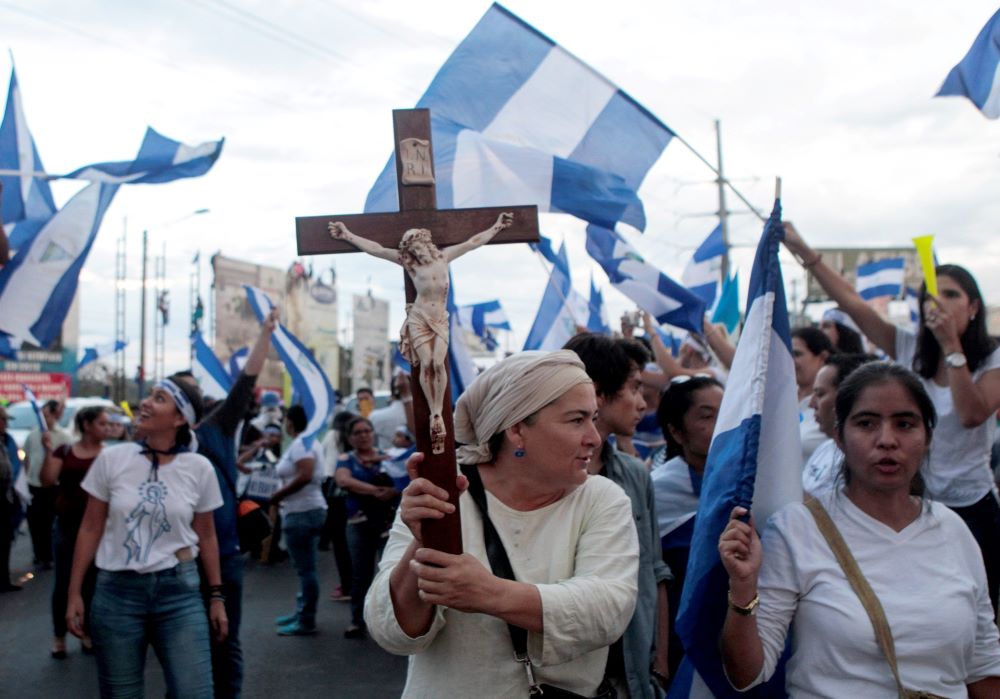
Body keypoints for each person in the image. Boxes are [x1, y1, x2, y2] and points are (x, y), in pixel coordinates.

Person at [366, 350, 639, 697]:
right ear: (517, 429)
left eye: (594, 419)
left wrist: (489, 593)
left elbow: (608, 608)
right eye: (576, 420)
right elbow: (390, 631)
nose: (594, 437)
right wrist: (421, 545)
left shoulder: (602, 499)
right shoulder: (444, 493)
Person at [719, 362, 1000, 696]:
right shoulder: (797, 529)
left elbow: (983, 668)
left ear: (927, 437)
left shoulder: (954, 530)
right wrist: (743, 588)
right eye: (866, 423)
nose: (886, 440)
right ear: (838, 436)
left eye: (905, 424)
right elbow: (746, 673)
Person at [783, 222, 1000, 611]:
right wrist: (804, 251)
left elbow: (971, 414)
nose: (939, 304)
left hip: (972, 506)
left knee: (974, 611)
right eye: (930, 296)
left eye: (951, 295)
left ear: (973, 306)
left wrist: (952, 346)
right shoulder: (909, 348)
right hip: (917, 501)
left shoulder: (992, 360)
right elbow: (853, 304)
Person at [67, 376, 227, 698]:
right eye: (150, 395)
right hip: (116, 595)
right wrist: (74, 594)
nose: (146, 403)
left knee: (195, 692)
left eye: (159, 398)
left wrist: (216, 597)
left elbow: (207, 537)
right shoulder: (113, 459)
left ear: (180, 418)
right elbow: (90, 528)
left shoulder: (199, 468)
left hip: (179, 593)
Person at [329, 212, 513, 453]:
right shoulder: (410, 264)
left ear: (427, 244)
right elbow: (376, 249)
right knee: (426, 363)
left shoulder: (444, 257)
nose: (417, 252)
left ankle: (439, 408)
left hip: (439, 319)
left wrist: (497, 226)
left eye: (419, 246)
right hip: (419, 318)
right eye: (412, 249)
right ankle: (436, 413)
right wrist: (348, 235)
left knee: (438, 364)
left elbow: (473, 242)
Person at [564, 333, 673, 697]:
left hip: (629, 677)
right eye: (634, 388)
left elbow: (653, 569)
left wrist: (658, 666)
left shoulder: (635, 476)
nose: (642, 403)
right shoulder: (543, 476)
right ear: (598, 392)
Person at [177, 306, 276, 698]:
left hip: (226, 555)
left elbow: (245, 381)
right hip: (176, 562)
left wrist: (266, 334)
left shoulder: (215, 431)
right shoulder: (148, 451)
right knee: (183, 643)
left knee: (224, 639)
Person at [649, 374, 724, 678]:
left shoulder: (758, 480)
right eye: (708, 416)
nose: (724, 423)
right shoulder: (658, 490)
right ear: (677, 432)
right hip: (684, 642)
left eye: (728, 410)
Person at [39, 406, 110, 659]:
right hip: (68, 526)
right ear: (87, 425)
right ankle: (59, 636)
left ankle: (88, 632)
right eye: (102, 423)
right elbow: (47, 480)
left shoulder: (109, 456)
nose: (107, 428)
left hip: (100, 528)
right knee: (65, 583)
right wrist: (48, 451)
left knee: (93, 583)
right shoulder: (65, 451)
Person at [335, 415, 397, 638]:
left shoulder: (389, 457)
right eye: (357, 432)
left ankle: (391, 623)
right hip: (359, 524)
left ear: (373, 433)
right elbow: (343, 480)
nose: (363, 436)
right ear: (350, 438)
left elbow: (403, 480)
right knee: (360, 575)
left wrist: (393, 491)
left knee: (390, 573)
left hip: (387, 524)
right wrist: (375, 490)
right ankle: (357, 620)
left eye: (366, 431)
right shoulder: (346, 458)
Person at [270, 404, 327, 636]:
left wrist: (277, 496)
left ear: (291, 421)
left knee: (306, 570)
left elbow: (305, 474)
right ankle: (301, 612)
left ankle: (306, 620)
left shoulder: (303, 443)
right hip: (306, 509)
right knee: (306, 568)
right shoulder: (305, 441)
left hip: (302, 512)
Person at [802, 353, 876, 498]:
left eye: (820, 394)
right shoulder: (825, 448)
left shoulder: (863, 461)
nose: (811, 404)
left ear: (845, 398)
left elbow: (835, 518)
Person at [25, 399, 71, 569]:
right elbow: (28, 458)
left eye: (47, 414)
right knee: (34, 522)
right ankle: (39, 554)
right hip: (34, 485)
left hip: (54, 486)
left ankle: (49, 555)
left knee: (49, 522)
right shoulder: (33, 434)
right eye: (41, 415)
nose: (44, 418)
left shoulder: (64, 437)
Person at [320, 410, 357, 602]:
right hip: (352, 488)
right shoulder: (352, 438)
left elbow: (325, 463)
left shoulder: (331, 436)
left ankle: (346, 585)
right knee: (353, 540)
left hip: (333, 490)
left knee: (339, 542)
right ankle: (354, 584)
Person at [792, 326, 834, 464]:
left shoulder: (830, 406)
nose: (790, 361)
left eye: (797, 354)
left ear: (822, 357)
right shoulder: (781, 400)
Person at [0, 405, 23, 591]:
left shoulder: (6, 440)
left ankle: (4, 579)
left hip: (6, 497)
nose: (5, 424)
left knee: (6, 539)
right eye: (3, 420)